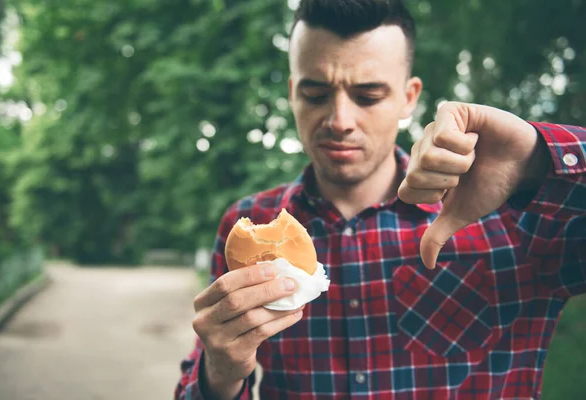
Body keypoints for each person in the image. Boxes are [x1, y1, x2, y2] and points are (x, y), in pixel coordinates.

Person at [175, 0, 586, 399]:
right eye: (316, 94)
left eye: (368, 96)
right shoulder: (247, 226)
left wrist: (537, 158)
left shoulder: (519, 211)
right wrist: (220, 373)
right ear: (292, 92)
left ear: (409, 97)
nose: (340, 121)